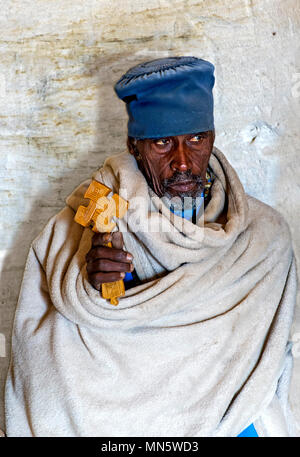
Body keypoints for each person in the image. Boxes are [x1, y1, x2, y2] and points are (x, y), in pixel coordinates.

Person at [5, 57, 298, 437]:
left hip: (227, 412)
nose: (182, 162)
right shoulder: (95, 215)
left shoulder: (264, 238)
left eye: (196, 139)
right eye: (162, 143)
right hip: (115, 412)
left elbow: (269, 359)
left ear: (211, 137)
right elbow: (44, 359)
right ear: (135, 146)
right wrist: (87, 282)